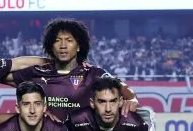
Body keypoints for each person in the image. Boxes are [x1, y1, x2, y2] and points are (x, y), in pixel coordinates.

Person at [11, 18, 139, 119]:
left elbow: (125, 90)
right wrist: (44, 61)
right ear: (51, 46)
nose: (63, 45)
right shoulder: (37, 72)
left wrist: (132, 99)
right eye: (57, 40)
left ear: (78, 46)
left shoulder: (94, 73)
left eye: (69, 40)